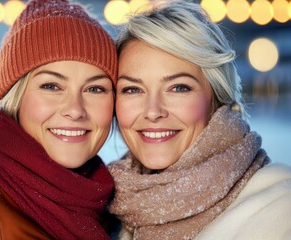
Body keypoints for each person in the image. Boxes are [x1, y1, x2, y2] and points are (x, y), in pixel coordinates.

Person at [0, 0, 117, 239]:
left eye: (95, 89)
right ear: (15, 99)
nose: (75, 109)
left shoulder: (109, 211)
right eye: (51, 86)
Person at [107, 1, 291, 239]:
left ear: (217, 97)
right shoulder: (109, 210)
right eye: (132, 89)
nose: (152, 111)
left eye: (178, 87)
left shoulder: (278, 211)